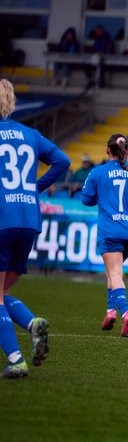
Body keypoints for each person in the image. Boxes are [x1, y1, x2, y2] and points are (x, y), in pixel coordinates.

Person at [0, 79, 70, 378]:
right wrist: (33, 189)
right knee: (2, 293)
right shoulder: (29, 134)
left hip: (2, 218)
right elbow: (62, 161)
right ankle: (32, 324)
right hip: (28, 220)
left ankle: (16, 358)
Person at [81, 134, 128, 338]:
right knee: (113, 272)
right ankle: (110, 312)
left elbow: (85, 199)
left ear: (108, 150)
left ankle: (125, 313)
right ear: (126, 151)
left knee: (115, 273)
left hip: (110, 229)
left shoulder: (97, 172)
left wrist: (103, 195)